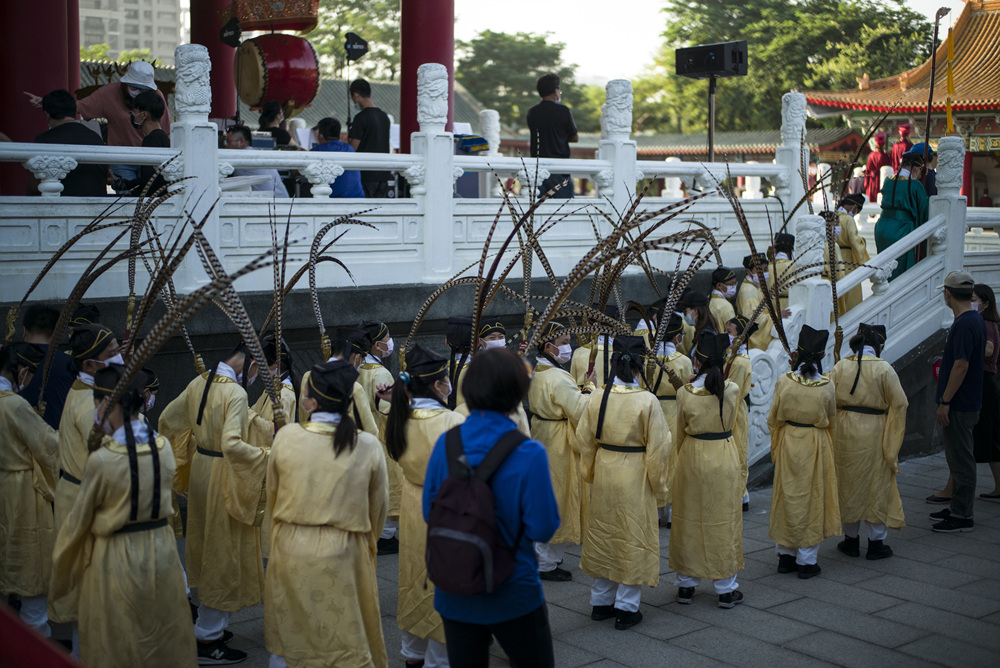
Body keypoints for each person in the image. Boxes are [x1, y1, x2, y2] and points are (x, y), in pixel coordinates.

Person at [51, 366, 196, 667]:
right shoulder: (163, 447)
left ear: (107, 404)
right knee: (160, 635)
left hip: (117, 558)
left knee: (118, 642)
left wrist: (61, 574)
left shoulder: (102, 460)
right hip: (162, 553)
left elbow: (78, 523)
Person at [423, 349, 560, 667]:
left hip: (454, 587)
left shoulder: (447, 443)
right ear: (517, 393)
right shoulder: (529, 453)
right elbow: (543, 527)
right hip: (513, 588)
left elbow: (430, 512)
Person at [265, 360, 388, 668]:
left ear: (312, 400)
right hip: (346, 548)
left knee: (290, 633)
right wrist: (365, 540)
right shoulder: (368, 445)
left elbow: (273, 494)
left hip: (290, 545)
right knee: (346, 632)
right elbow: (379, 508)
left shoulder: (287, 436)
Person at [157, 340, 266, 664]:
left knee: (206, 546)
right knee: (222, 552)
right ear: (251, 365)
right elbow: (232, 444)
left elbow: (167, 420)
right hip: (222, 472)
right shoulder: (235, 392)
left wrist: (182, 465)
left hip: (203, 470)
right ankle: (208, 636)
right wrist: (265, 455)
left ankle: (209, 621)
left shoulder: (198, 381)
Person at [576, 336, 670, 628]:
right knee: (632, 536)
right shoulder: (647, 400)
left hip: (605, 468)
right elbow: (659, 448)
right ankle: (627, 607)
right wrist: (660, 486)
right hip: (634, 473)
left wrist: (590, 471)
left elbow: (584, 438)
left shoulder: (598, 396)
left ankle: (601, 602)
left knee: (604, 534)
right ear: (640, 366)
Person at [385, 345, 464, 668]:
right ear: (436, 385)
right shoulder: (450, 420)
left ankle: (413, 652)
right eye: (446, 379)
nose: (449, 384)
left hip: (413, 502)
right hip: (444, 505)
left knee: (414, 575)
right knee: (444, 580)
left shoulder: (399, 416)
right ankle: (440, 657)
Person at [49, 323, 124, 652]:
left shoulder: (90, 390)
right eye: (113, 354)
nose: (120, 356)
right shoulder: (88, 406)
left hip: (80, 496)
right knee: (90, 590)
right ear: (90, 365)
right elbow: (112, 455)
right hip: (85, 501)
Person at [670, 332, 744, 608]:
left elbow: (679, 433)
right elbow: (734, 423)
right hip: (723, 454)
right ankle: (725, 587)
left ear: (696, 362)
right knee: (723, 519)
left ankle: (686, 586)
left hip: (692, 455)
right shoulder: (732, 390)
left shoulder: (684, 393)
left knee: (688, 518)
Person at [828, 323, 907, 560]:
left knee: (848, 482)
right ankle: (876, 543)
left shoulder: (842, 365)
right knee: (876, 484)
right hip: (874, 430)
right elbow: (900, 403)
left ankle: (850, 540)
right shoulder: (884, 369)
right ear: (879, 345)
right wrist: (893, 435)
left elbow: (827, 395)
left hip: (845, 428)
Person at [768, 325, 840, 579]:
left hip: (789, 440)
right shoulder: (826, 386)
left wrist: (777, 445)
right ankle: (807, 560)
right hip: (815, 442)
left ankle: (785, 556)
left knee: (787, 496)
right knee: (812, 499)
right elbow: (831, 420)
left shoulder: (784, 382)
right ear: (822, 357)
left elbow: (773, 418)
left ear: (797, 355)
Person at [28, 61, 173, 184]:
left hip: (149, 155)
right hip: (121, 158)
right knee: (126, 200)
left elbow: (166, 127)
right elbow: (78, 106)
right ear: (125, 82)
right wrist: (46, 102)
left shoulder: (156, 96)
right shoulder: (107, 93)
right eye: (134, 88)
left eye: (143, 90)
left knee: (147, 197)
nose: (138, 92)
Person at [528, 322, 596, 581]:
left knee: (548, 493)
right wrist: (589, 387)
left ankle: (543, 556)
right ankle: (546, 561)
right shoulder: (557, 377)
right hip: (558, 442)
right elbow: (580, 410)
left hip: (545, 434)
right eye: (564, 341)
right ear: (548, 347)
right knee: (560, 496)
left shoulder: (540, 370)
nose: (568, 347)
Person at [0, 342, 59, 637]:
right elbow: (49, 446)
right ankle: (37, 639)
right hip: (20, 491)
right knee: (30, 563)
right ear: (21, 371)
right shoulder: (14, 404)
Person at [931, 271, 987, 533]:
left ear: (948, 293)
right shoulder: (973, 318)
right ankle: (957, 505)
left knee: (962, 460)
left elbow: (960, 366)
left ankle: (962, 514)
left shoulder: (965, 323)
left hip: (960, 404)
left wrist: (945, 401)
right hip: (966, 401)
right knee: (958, 458)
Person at [29, 89, 108, 196]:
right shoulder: (95, 137)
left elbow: (33, 187)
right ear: (74, 111)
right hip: (98, 205)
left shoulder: (44, 139)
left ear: (47, 115)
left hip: (60, 205)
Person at [17, 303, 77, 430]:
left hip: (17, 442)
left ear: (24, 331)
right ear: (57, 333)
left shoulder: (10, 360)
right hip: (60, 439)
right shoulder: (70, 363)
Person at [875, 146, 930, 281]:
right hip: (901, 229)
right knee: (900, 270)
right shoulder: (915, 185)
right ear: (916, 169)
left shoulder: (887, 181)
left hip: (881, 227)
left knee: (884, 267)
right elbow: (924, 211)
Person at [526, 73, 579, 198]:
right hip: (559, 169)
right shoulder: (563, 111)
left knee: (540, 212)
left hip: (538, 169)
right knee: (564, 211)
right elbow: (575, 137)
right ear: (556, 91)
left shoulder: (532, 112)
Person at [972, 284, 1000, 501]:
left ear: (986, 303)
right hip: (986, 383)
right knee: (991, 438)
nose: (972, 303)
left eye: (974, 299)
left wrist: (967, 345)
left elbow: (988, 349)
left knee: (987, 438)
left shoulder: (986, 323)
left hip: (984, 384)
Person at [348, 79, 392, 198]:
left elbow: (353, 148)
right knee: (379, 211)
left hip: (366, 174)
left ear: (356, 95)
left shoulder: (360, 118)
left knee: (366, 210)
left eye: (352, 98)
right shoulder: (384, 117)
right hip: (383, 172)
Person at [121, 90, 169, 196]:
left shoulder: (152, 140)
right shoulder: (162, 137)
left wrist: (129, 189)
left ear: (144, 115)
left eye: (134, 112)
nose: (133, 115)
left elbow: (149, 181)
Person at [225, 125, 290, 198]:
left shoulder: (241, 157)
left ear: (241, 141)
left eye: (228, 141)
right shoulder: (254, 153)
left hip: (271, 205)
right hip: (281, 202)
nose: (226, 145)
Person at [833, 194, 870, 312]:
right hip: (847, 260)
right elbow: (854, 241)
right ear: (854, 206)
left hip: (833, 257)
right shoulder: (848, 219)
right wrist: (864, 261)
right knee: (850, 295)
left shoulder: (832, 216)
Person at [311, 117, 364, 198]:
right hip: (357, 197)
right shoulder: (349, 148)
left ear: (321, 135)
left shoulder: (318, 150)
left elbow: (295, 172)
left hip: (334, 199)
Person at [570, 304, 618, 388]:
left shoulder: (579, 353)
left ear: (588, 325)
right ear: (616, 327)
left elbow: (573, 387)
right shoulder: (621, 353)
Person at [736, 253, 776, 351]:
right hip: (754, 344)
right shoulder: (748, 292)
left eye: (766, 269)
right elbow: (753, 319)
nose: (763, 273)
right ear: (748, 272)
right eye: (759, 270)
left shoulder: (756, 286)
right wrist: (775, 316)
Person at [766, 232, 795, 311]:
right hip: (790, 305)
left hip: (771, 307)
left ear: (775, 250)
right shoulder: (795, 266)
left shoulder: (767, 267)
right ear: (791, 250)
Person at [863, 132, 891, 205]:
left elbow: (867, 170)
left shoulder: (871, 155)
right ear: (883, 145)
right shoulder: (886, 156)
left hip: (872, 180)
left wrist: (866, 184)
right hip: (882, 180)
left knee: (871, 200)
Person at [709, 267, 738, 333]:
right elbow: (733, 331)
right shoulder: (726, 306)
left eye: (734, 284)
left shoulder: (709, 299)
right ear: (719, 285)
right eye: (731, 284)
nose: (734, 287)